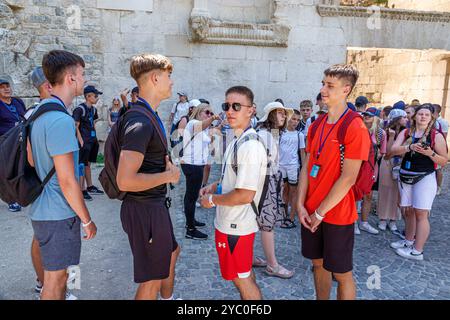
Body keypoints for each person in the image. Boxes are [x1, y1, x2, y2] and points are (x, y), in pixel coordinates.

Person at [297, 64, 371, 300]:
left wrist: (320, 213)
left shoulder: (354, 125)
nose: (323, 90)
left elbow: (348, 177)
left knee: (341, 273)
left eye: (330, 85)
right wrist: (299, 204)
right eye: (323, 83)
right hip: (310, 210)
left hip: (337, 213)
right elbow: (307, 166)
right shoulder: (317, 124)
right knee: (317, 264)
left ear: (346, 89)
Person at [28, 50, 97, 300]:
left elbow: (31, 160)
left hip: (42, 208)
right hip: (59, 213)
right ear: (70, 78)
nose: (83, 79)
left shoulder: (39, 113)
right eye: (81, 74)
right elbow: (68, 181)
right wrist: (87, 220)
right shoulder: (60, 120)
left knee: (57, 276)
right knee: (56, 281)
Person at [115, 53, 181, 300]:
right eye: (168, 76)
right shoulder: (140, 121)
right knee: (151, 281)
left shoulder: (146, 114)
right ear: (155, 78)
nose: (172, 82)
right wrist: (168, 176)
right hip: (145, 210)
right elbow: (125, 180)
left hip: (153, 207)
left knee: (173, 252)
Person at [199, 85, 266, 300]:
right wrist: (216, 185)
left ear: (251, 109)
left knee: (242, 279)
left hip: (236, 226)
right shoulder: (238, 139)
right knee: (243, 274)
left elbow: (245, 194)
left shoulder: (250, 146)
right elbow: (234, 177)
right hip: (230, 223)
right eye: (226, 105)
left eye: (237, 106)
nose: (230, 110)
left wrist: (211, 199)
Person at [389, 104, 448, 260]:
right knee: (408, 211)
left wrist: (430, 153)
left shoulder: (436, 135)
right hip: (406, 176)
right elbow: (393, 150)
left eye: (426, 115)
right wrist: (409, 147)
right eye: (420, 113)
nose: (423, 116)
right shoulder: (407, 132)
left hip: (425, 177)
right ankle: (409, 241)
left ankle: (417, 251)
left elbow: (444, 160)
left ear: (431, 118)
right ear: (414, 117)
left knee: (421, 213)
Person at [253, 101, 295, 279]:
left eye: (284, 114)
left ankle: (250, 257)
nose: (284, 116)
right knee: (267, 224)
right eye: (279, 113)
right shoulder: (264, 134)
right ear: (270, 115)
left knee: (257, 222)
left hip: (270, 180)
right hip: (264, 181)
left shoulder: (273, 133)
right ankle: (272, 265)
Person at [180, 103, 220, 240]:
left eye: (210, 113)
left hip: (196, 165)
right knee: (191, 198)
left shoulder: (203, 128)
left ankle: (191, 221)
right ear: (198, 112)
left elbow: (210, 136)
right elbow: (202, 126)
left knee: (190, 196)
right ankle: (190, 229)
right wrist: (214, 118)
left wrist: (219, 125)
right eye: (207, 112)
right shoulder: (193, 123)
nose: (209, 115)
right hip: (193, 165)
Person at [357, 107, 386, 235]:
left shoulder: (380, 133)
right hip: (356, 167)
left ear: (375, 117)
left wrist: (373, 168)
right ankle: (352, 223)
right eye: (365, 114)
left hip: (371, 167)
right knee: (354, 195)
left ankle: (364, 222)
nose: (366, 116)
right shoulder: (357, 129)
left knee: (368, 195)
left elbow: (382, 153)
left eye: (369, 115)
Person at [377, 109, 408, 232]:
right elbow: (388, 152)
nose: (406, 119)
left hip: (400, 163)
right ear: (397, 118)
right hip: (387, 161)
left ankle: (393, 219)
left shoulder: (407, 132)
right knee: (384, 189)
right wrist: (391, 137)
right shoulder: (386, 131)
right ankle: (383, 218)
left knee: (397, 191)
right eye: (404, 117)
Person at [72, 85, 104, 201]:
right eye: (95, 96)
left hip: (91, 141)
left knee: (88, 164)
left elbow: (92, 123)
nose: (97, 98)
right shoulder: (80, 109)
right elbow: (75, 126)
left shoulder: (93, 109)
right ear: (88, 96)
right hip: (83, 143)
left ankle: (90, 186)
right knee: (81, 164)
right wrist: (81, 141)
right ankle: (82, 189)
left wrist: (94, 137)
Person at [0, 75, 26, 212]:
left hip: (20, 140)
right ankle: (10, 199)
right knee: (6, 171)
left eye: (7, 86)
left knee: (19, 169)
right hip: (4, 142)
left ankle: (19, 194)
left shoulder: (17, 102)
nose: (6, 89)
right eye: (2, 87)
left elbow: (25, 116)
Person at [280, 109, 306, 228]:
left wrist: (304, 169)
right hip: (280, 166)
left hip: (293, 167)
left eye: (297, 120)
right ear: (287, 118)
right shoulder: (279, 132)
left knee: (293, 192)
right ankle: (284, 215)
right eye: (293, 119)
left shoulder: (299, 135)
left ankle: (291, 218)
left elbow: (302, 152)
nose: (295, 122)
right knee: (284, 190)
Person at [432, 104, 448, 195]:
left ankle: (438, 187)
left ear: (437, 112)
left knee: (438, 169)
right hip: (431, 147)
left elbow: (444, 137)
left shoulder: (443, 122)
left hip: (439, 147)